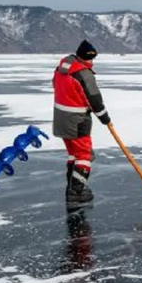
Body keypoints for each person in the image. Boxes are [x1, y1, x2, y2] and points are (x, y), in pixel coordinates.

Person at [53, 39, 111, 207]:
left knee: (73, 154)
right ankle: (77, 191)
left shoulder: (61, 69)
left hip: (61, 118)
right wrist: (104, 118)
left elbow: (56, 86)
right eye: (91, 59)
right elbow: (94, 99)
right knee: (84, 155)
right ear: (87, 57)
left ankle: (71, 187)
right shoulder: (83, 74)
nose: (92, 63)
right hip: (78, 119)